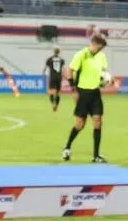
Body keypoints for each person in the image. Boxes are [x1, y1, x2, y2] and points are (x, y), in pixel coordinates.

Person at [62, 33, 110, 163]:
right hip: (82, 93)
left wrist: (105, 80)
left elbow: (104, 72)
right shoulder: (81, 54)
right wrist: (73, 89)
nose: (101, 50)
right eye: (100, 47)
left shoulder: (101, 56)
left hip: (95, 92)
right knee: (80, 124)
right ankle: (67, 147)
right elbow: (69, 70)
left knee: (98, 121)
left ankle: (96, 155)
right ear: (94, 43)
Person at [44, 48, 66, 112]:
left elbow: (45, 68)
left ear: (53, 52)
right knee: (58, 93)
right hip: (59, 77)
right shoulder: (62, 60)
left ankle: (53, 104)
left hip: (52, 77)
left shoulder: (49, 59)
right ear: (59, 52)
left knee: (51, 92)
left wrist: (43, 74)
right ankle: (56, 104)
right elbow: (63, 69)